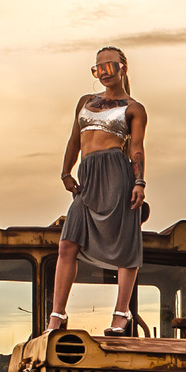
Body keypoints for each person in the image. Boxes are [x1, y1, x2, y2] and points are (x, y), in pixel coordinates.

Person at [48, 46, 148, 335]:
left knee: (125, 242)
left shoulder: (133, 108)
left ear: (123, 68)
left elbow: (137, 148)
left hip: (116, 173)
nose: (104, 72)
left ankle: (121, 313)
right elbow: (74, 140)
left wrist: (139, 182)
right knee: (67, 243)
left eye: (110, 66)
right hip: (87, 177)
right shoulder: (85, 101)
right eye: (98, 68)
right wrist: (66, 172)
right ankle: (57, 315)